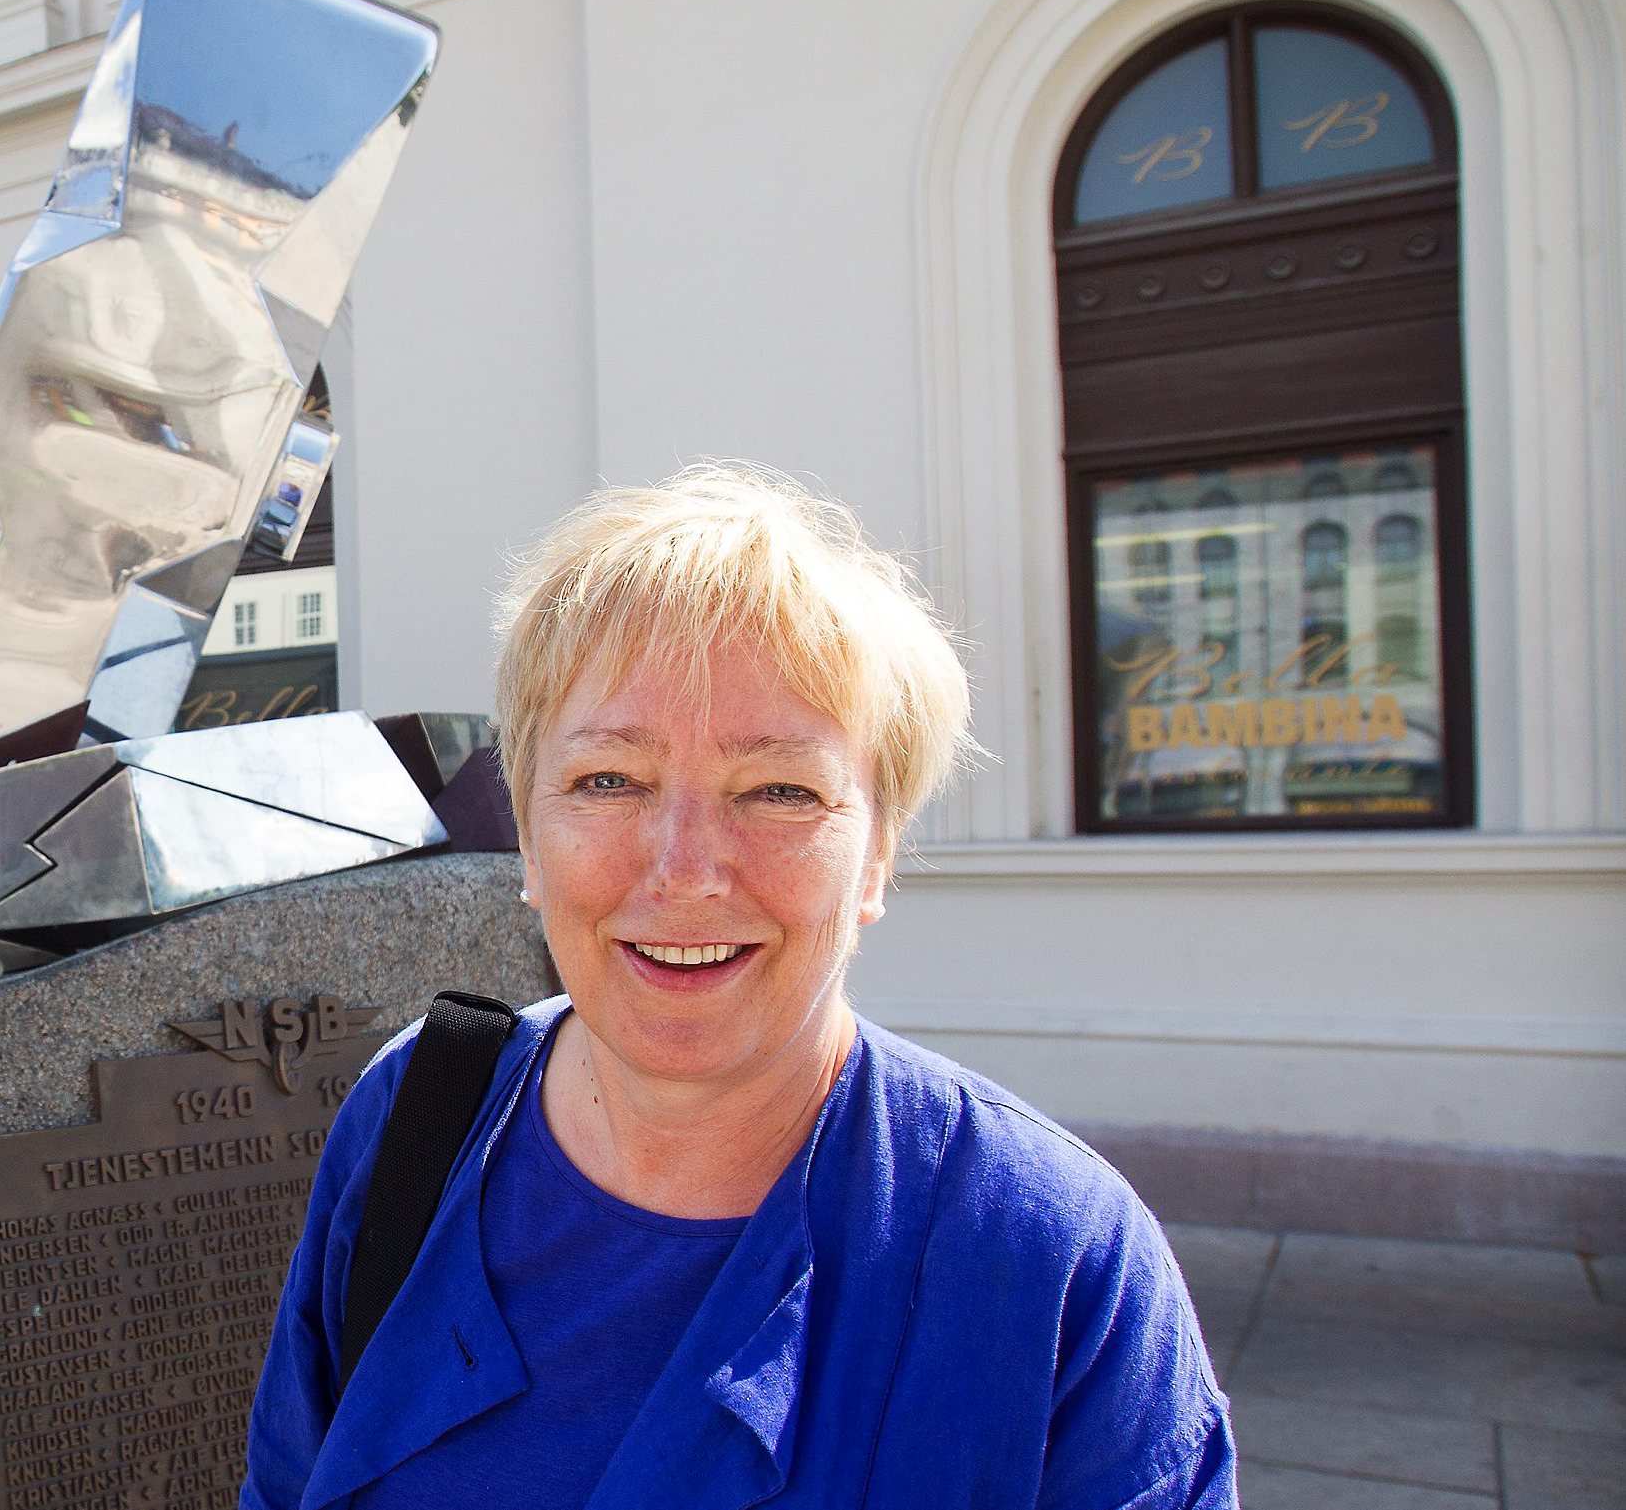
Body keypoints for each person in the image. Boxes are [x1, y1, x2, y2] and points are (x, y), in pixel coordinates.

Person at [242, 464, 1233, 1509]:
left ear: (879, 856)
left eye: (778, 789)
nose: (684, 869)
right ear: (528, 836)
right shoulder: (417, 1115)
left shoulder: (1050, 1253)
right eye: (609, 779)